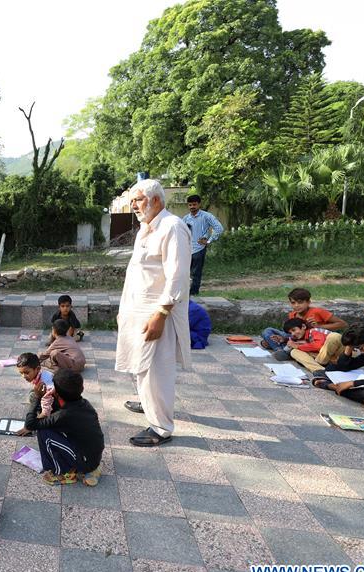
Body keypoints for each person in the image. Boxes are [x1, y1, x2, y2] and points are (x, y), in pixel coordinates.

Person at [116, 179, 191, 447]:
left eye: (138, 199)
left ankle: (160, 428)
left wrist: (161, 313)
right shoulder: (146, 229)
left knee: (156, 371)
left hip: (157, 313)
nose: (133, 205)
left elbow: (178, 276)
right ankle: (148, 404)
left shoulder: (172, 227)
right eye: (132, 200)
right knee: (141, 365)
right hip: (138, 311)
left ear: (156, 200)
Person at [20, 369, 104, 487]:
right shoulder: (83, 403)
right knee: (48, 423)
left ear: (57, 394)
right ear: (82, 389)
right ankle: (86, 467)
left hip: (85, 462)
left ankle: (63, 473)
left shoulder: (64, 415)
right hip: (93, 455)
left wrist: (35, 398)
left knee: (44, 432)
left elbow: (30, 425)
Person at [261, 288, 347, 355]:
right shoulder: (292, 315)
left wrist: (319, 327)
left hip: (313, 340)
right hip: (297, 338)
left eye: (300, 302)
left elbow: (342, 324)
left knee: (273, 340)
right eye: (293, 303)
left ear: (308, 302)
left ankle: (280, 348)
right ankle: (279, 349)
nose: (296, 305)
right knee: (268, 330)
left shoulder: (318, 312)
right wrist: (284, 338)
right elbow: (292, 333)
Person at [182, 194, 224, 296]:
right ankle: (184, 293)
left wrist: (209, 240)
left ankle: (194, 293)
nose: (192, 207)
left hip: (199, 249)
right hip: (186, 249)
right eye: (190, 205)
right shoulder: (185, 218)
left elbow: (219, 228)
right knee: (183, 273)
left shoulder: (206, 216)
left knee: (196, 273)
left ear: (199, 204)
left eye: (194, 204)